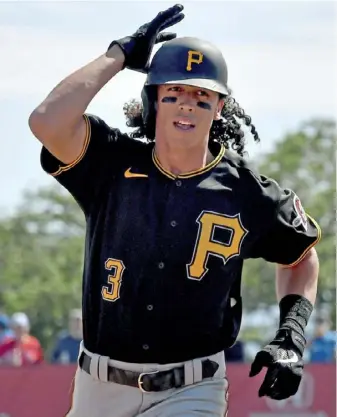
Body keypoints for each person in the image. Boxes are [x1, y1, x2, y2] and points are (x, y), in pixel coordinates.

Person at [28, 4, 321, 417]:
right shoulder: (109, 164)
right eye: (174, 92)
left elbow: (300, 255)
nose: (187, 104)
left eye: (202, 96)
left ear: (220, 107)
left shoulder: (247, 191)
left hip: (193, 388)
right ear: (152, 102)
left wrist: (291, 334)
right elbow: (46, 122)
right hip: (98, 387)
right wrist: (118, 55)